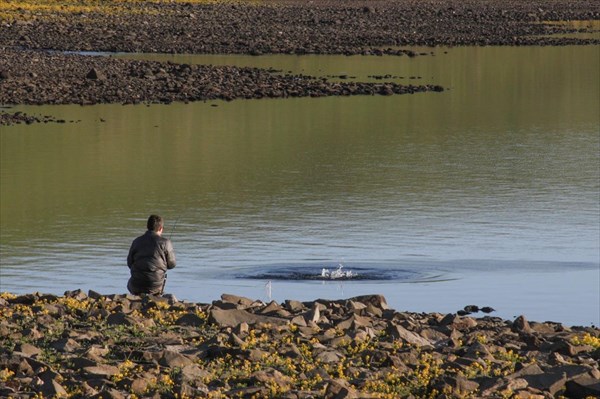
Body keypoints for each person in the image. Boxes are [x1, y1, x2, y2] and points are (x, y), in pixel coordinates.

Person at [127, 215, 176, 295]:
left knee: (131, 281)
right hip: (155, 286)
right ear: (160, 228)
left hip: (136, 285)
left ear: (148, 227)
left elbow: (129, 264)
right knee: (161, 278)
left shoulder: (136, 241)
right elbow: (172, 265)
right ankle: (156, 295)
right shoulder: (166, 242)